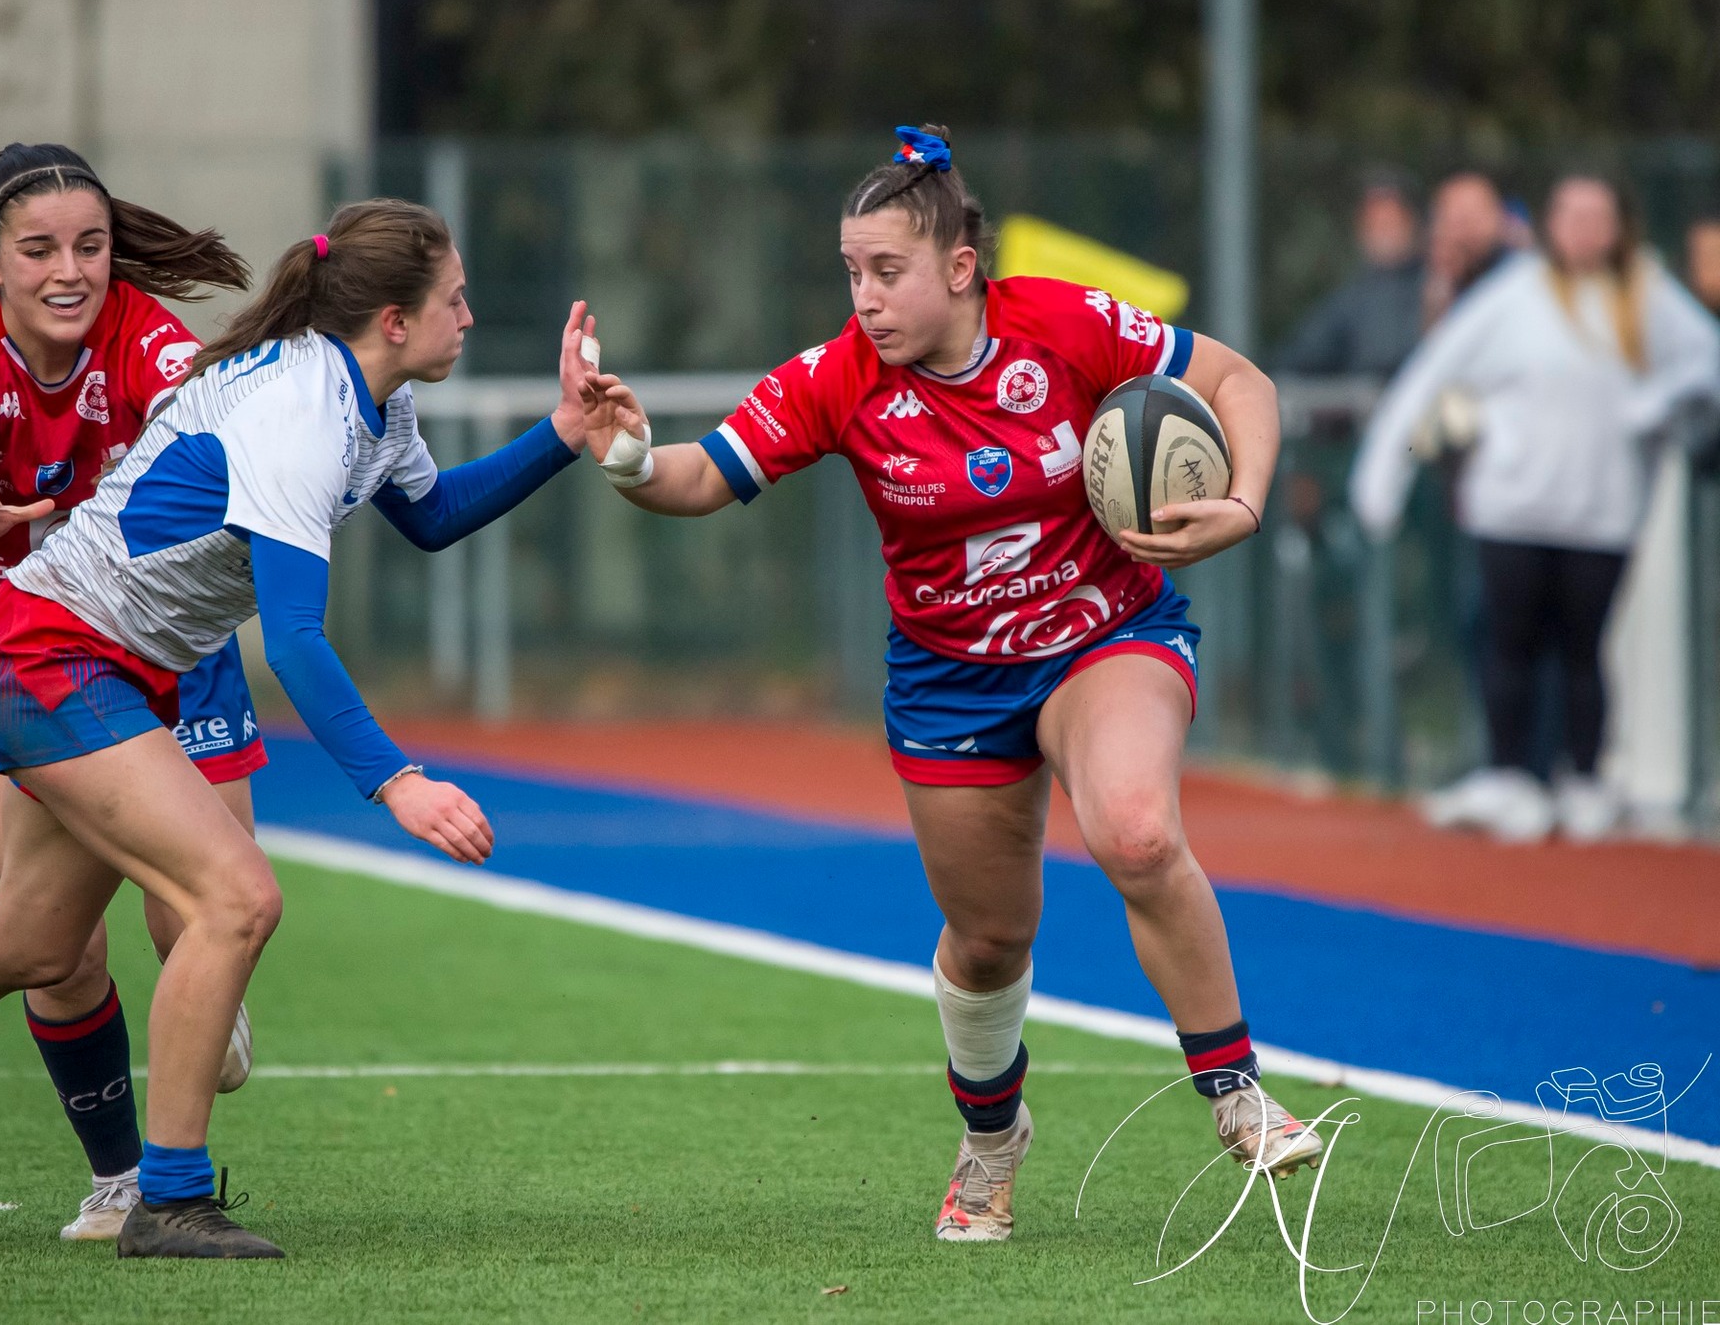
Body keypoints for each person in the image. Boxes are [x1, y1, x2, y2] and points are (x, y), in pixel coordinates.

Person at [0, 199, 602, 1258]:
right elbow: (293, 641)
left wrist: (565, 435)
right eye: (455, 298)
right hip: (48, 658)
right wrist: (398, 782)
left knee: (32, 941)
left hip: (88, 661)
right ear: (393, 319)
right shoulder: (303, 411)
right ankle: (169, 1197)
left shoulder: (368, 402)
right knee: (236, 896)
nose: (469, 317)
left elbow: (431, 518)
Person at [582, 126, 1322, 1243]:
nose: (864, 297)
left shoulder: (1063, 323)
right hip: (949, 683)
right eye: (850, 272)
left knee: (1132, 832)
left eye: (886, 272)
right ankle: (990, 1140)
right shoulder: (837, 377)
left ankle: (1233, 1089)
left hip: (1102, 631)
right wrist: (631, 455)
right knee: (987, 940)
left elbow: (1234, 380)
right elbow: (700, 477)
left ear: (959, 270)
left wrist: (1244, 498)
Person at [0, 143, 262, 1239]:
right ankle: (119, 1180)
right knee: (49, 940)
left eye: (89, 247)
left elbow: (217, 440)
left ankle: (207, 993)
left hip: (167, 637)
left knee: (206, 898)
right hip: (13, 661)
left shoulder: (145, 338)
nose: (70, 270)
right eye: (39, 248)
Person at [1351, 175, 1720, 841]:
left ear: (1618, 225)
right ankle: (1510, 777)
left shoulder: (1649, 295)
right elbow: (1430, 378)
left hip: (1603, 515)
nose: (1581, 228)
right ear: (1550, 222)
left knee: (1584, 647)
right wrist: (1384, 473)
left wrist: (1662, 404)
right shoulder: (1513, 295)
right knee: (1510, 643)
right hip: (1512, 509)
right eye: (1569, 214)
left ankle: (1585, 781)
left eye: (1595, 215)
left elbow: (1706, 362)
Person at [1276, 174, 1424, 380]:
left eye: (1390, 222)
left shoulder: (1436, 285)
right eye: (1374, 224)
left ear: (1411, 223)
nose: (1382, 232)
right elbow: (1303, 357)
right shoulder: (1351, 298)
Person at [1422, 172, 1511, 325]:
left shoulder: (1522, 280)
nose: (1465, 232)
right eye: (1454, 219)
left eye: (1472, 217)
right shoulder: (1426, 285)